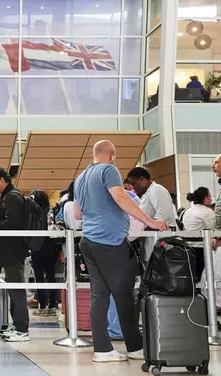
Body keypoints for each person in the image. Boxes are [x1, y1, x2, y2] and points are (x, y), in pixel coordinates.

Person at [73, 140, 168, 363]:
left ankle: (103, 350)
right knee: (124, 295)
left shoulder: (81, 177)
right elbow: (120, 196)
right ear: (112, 155)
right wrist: (149, 221)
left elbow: (78, 213)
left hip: (89, 241)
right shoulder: (109, 170)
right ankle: (135, 347)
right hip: (110, 242)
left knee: (99, 296)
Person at [0, 167, 30, 342]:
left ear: (3, 180)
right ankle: (16, 325)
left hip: (13, 249)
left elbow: (13, 223)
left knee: (17, 289)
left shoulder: (12, 197)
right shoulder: (8, 196)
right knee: (13, 288)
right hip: (9, 249)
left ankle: (22, 328)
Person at [126, 167, 177, 262]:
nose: (133, 187)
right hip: (151, 244)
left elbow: (163, 218)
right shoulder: (146, 195)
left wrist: (141, 228)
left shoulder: (157, 190)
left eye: (133, 183)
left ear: (142, 179)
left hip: (162, 244)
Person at [29, 190, 59, 317]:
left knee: (39, 277)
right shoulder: (51, 211)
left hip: (37, 247)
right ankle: (52, 305)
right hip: (51, 248)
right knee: (52, 277)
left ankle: (42, 306)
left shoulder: (33, 213)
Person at [181, 187, 215, 283]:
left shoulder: (186, 212)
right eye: (209, 197)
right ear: (205, 199)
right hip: (202, 249)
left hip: (187, 248)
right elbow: (212, 230)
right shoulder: (208, 212)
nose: (211, 199)